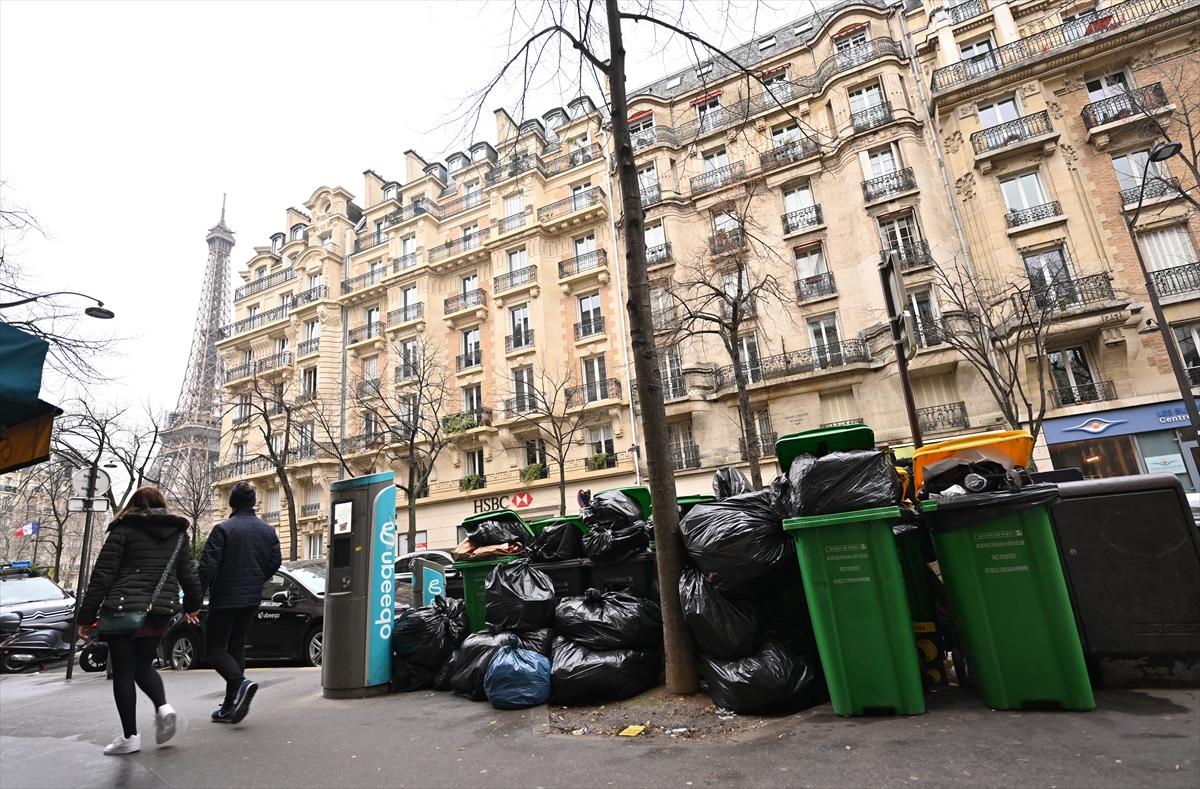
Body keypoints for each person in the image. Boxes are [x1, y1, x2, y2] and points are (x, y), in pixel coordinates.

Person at [78, 486, 201, 755]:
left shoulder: (123, 529)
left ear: (133, 504)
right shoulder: (179, 534)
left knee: (123, 670)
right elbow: (189, 575)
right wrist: (192, 606)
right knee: (143, 663)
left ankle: (130, 737)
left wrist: (86, 616)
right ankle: (163, 706)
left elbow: (102, 576)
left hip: (123, 609)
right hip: (160, 609)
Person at [198, 481, 281, 725]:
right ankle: (230, 705)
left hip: (224, 596)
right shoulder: (268, 531)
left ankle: (239, 683)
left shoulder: (223, 529)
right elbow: (275, 562)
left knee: (213, 649)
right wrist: (256, 579)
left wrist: (195, 597)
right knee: (236, 647)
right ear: (253, 502)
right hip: (251, 597)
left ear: (232, 502)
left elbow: (207, 566)